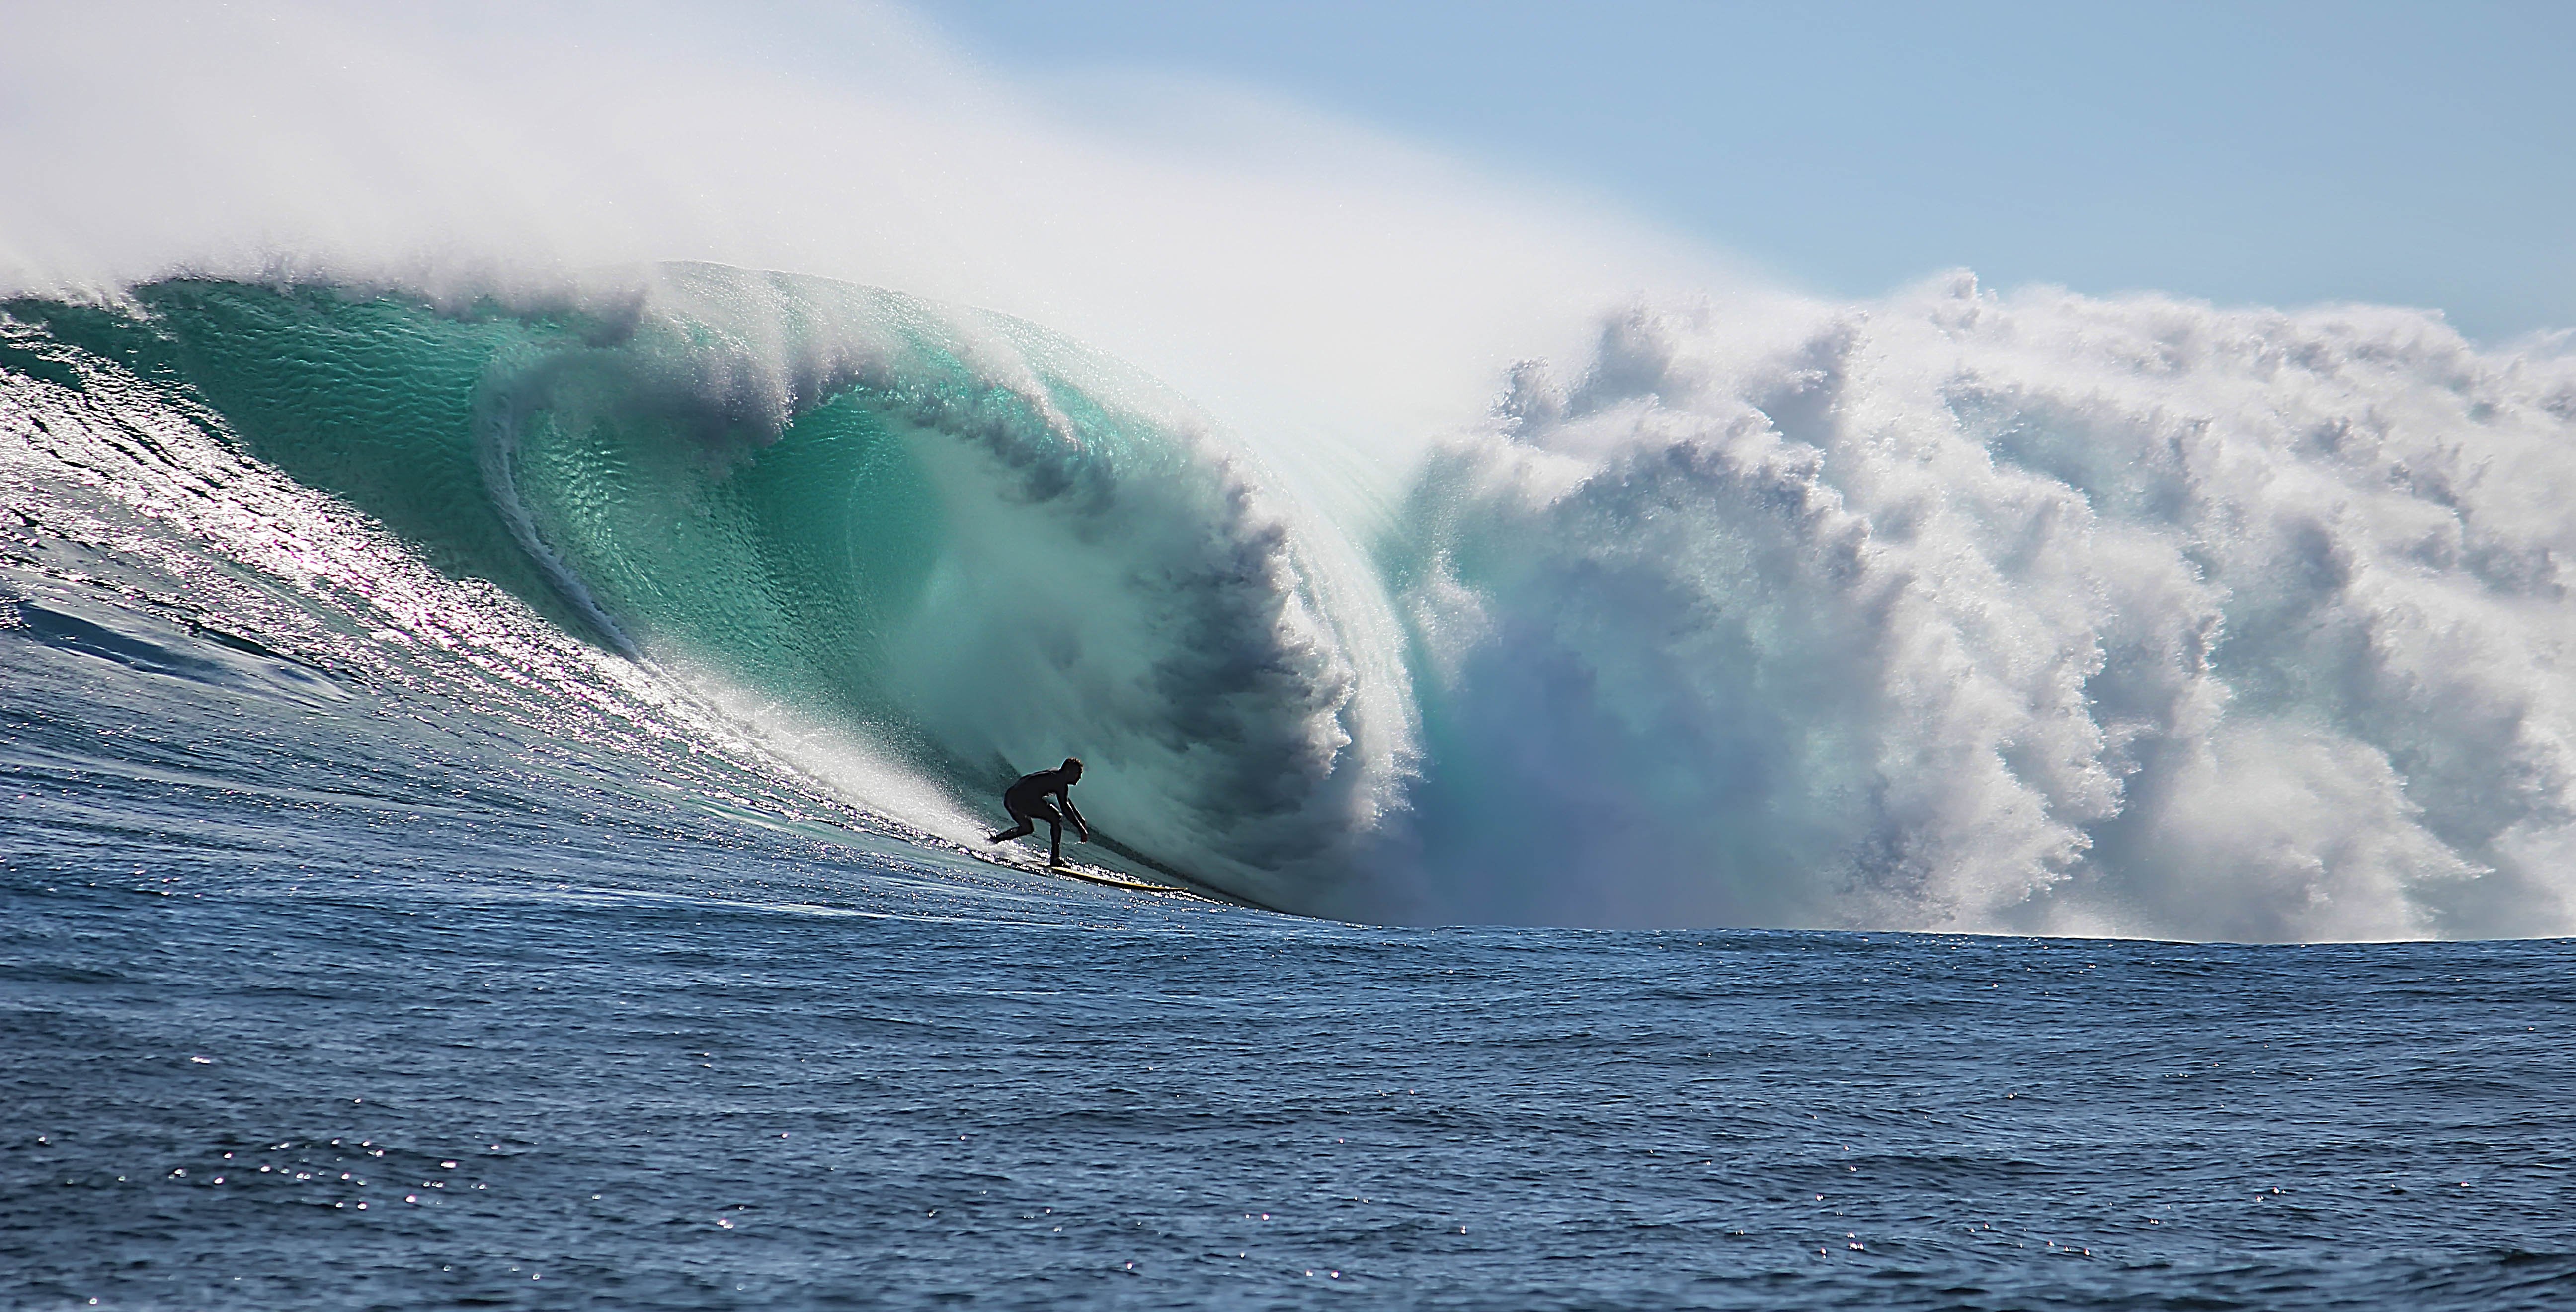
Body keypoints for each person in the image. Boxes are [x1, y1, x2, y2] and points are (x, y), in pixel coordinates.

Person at [988, 757, 1091, 867]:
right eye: (1078, 774)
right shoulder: (1060, 782)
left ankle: (993, 841)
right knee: (1056, 818)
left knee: (1027, 829)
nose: (1079, 777)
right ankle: (1055, 859)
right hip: (1020, 800)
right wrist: (1081, 830)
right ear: (1069, 772)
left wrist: (1080, 819)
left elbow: (1065, 800)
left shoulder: (1058, 776)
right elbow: (1065, 807)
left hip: (1011, 798)